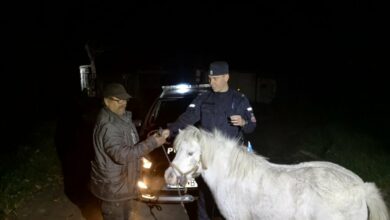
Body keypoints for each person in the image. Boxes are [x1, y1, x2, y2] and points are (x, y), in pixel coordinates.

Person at [166, 61, 257, 220]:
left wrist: (244, 122)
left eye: (215, 78)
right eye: (210, 78)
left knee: (231, 201)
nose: (211, 82)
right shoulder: (203, 98)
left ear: (226, 77)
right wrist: (170, 130)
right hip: (208, 159)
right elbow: (188, 117)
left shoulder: (239, 99)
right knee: (205, 199)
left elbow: (252, 126)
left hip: (231, 162)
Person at [90, 83, 169, 220]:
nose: (123, 103)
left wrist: (146, 147)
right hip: (114, 192)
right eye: (118, 100)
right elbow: (121, 155)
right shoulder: (109, 125)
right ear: (106, 101)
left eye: (125, 99)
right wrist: (153, 142)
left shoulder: (121, 118)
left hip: (123, 187)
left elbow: (129, 142)